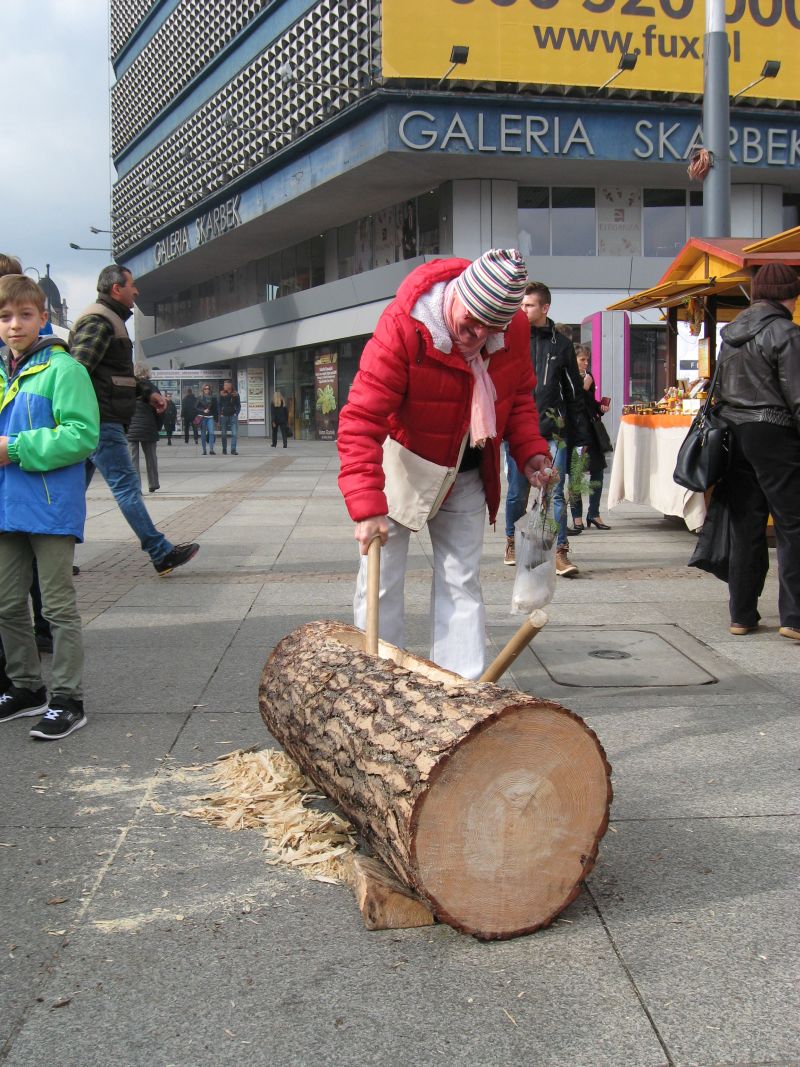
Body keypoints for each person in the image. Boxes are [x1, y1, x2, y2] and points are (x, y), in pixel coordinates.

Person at [337, 249, 553, 680]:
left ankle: (460, 687)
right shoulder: (405, 324)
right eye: (469, 321)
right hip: (405, 464)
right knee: (381, 579)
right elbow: (361, 419)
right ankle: (377, 680)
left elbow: (519, 397)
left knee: (462, 578)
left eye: (488, 329)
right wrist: (367, 507)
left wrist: (530, 450)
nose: (474, 336)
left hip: (469, 467)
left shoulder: (512, 332)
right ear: (456, 295)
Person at [0, 274, 99, 739]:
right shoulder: (5, 372)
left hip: (49, 508)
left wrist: (15, 448)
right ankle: (25, 687)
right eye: (4, 317)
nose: (14, 325)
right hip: (5, 509)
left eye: (24, 315)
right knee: (6, 604)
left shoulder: (65, 370)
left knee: (57, 608)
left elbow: (82, 435)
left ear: (44, 318)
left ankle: (67, 698)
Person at [70, 266, 199, 575]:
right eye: (132, 285)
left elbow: (116, 372)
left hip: (96, 419)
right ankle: (160, 552)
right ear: (117, 289)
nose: (136, 291)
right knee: (126, 488)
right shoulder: (98, 321)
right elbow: (74, 372)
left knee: (71, 491)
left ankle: (52, 559)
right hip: (100, 422)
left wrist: (148, 392)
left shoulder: (109, 320)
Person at [715, 262, 800, 641]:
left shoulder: (731, 334)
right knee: (792, 524)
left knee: (746, 525)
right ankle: (794, 618)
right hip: (775, 432)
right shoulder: (786, 332)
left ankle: (742, 614)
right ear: (789, 296)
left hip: (734, 432)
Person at [503, 281, 591, 577]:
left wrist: (579, 434)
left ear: (544, 308)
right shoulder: (511, 338)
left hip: (555, 431)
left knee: (555, 491)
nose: (523, 309)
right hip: (518, 430)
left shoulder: (562, 345)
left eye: (528, 305)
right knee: (517, 493)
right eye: (521, 304)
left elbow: (575, 393)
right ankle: (512, 541)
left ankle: (560, 551)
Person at [567, 345, 612, 533]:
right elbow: (572, 403)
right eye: (582, 360)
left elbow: (588, 404)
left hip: (591, 431)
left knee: (598, 470)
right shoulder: (568, 376)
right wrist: (583, 389)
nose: (585, 363)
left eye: (587, 360)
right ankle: (577, 518)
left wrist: (599, 407)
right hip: (576, 432)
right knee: (576, 474)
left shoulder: (588, 376)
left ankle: (594, 513)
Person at [127, 363, 162, 493]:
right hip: (149, 425)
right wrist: (158, 426)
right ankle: (153, 483)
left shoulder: (129, 386)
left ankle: (136, 486)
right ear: (147, 372)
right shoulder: (152, 388)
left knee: (132, 458)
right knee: (151, 456)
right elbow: (160, 408)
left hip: (131, 427)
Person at [218, 379, 241, 455]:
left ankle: (233, 450)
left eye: (225, 385)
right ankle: (224, 449)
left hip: (233, 416)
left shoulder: (235, 394)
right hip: (224, 416)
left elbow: (238, 405)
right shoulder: (221, 394)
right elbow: (219, 405)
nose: (224, 386)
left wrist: (236, 413)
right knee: (224, 434)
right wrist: (220, 413)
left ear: (229, 386)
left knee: (234, 433)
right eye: (224, 385)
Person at [195, 383, 218, 455]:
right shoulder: (200, 397)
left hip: (210, 417)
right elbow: (195, 407)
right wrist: (203, 410)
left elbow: (215, 409)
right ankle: (204, 450)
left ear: (210, 389)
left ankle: (211, 449)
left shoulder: (213, 397)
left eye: (208, 388)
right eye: (205, 389)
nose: (206, 390)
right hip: (203, 417)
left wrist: (216, 419)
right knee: (203, 434)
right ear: (203, 390)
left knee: (211, 433)